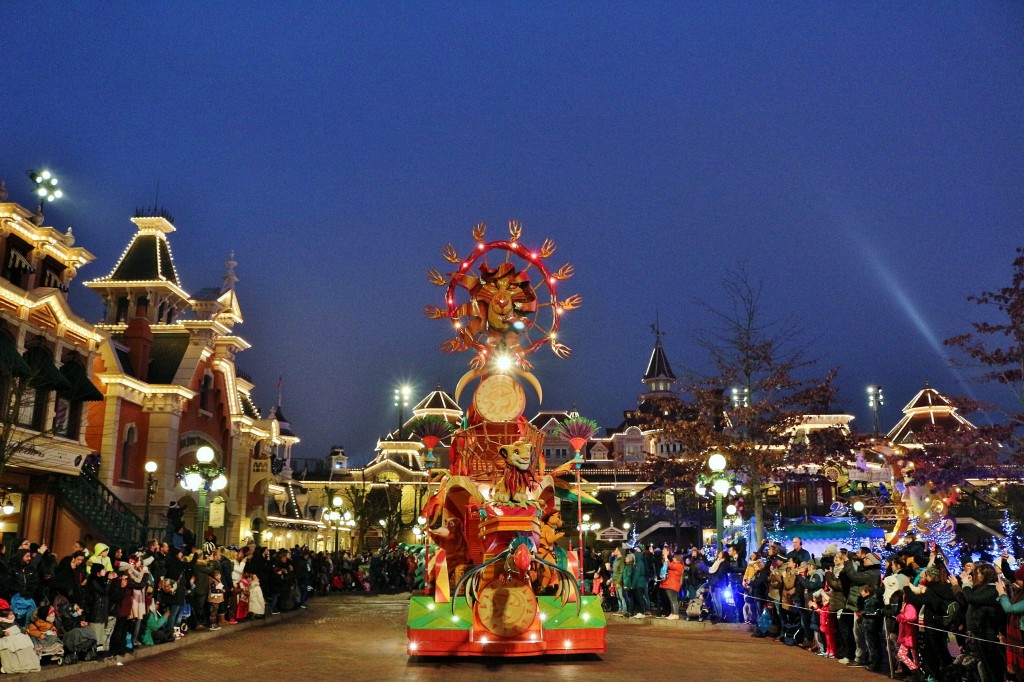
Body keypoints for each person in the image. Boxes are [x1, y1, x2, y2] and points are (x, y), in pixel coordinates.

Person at [659, 551, 683, 620]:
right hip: (670, 584)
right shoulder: (676, 564)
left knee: (673, 600)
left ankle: (675, 613)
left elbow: (669, 565)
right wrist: (665, 558)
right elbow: (667, 564)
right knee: (671, 600)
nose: (673, 558)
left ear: (677, 559)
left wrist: (666, 557)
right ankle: (673, 613)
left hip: (673, 585)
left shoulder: (679, 565)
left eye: (674, 557)